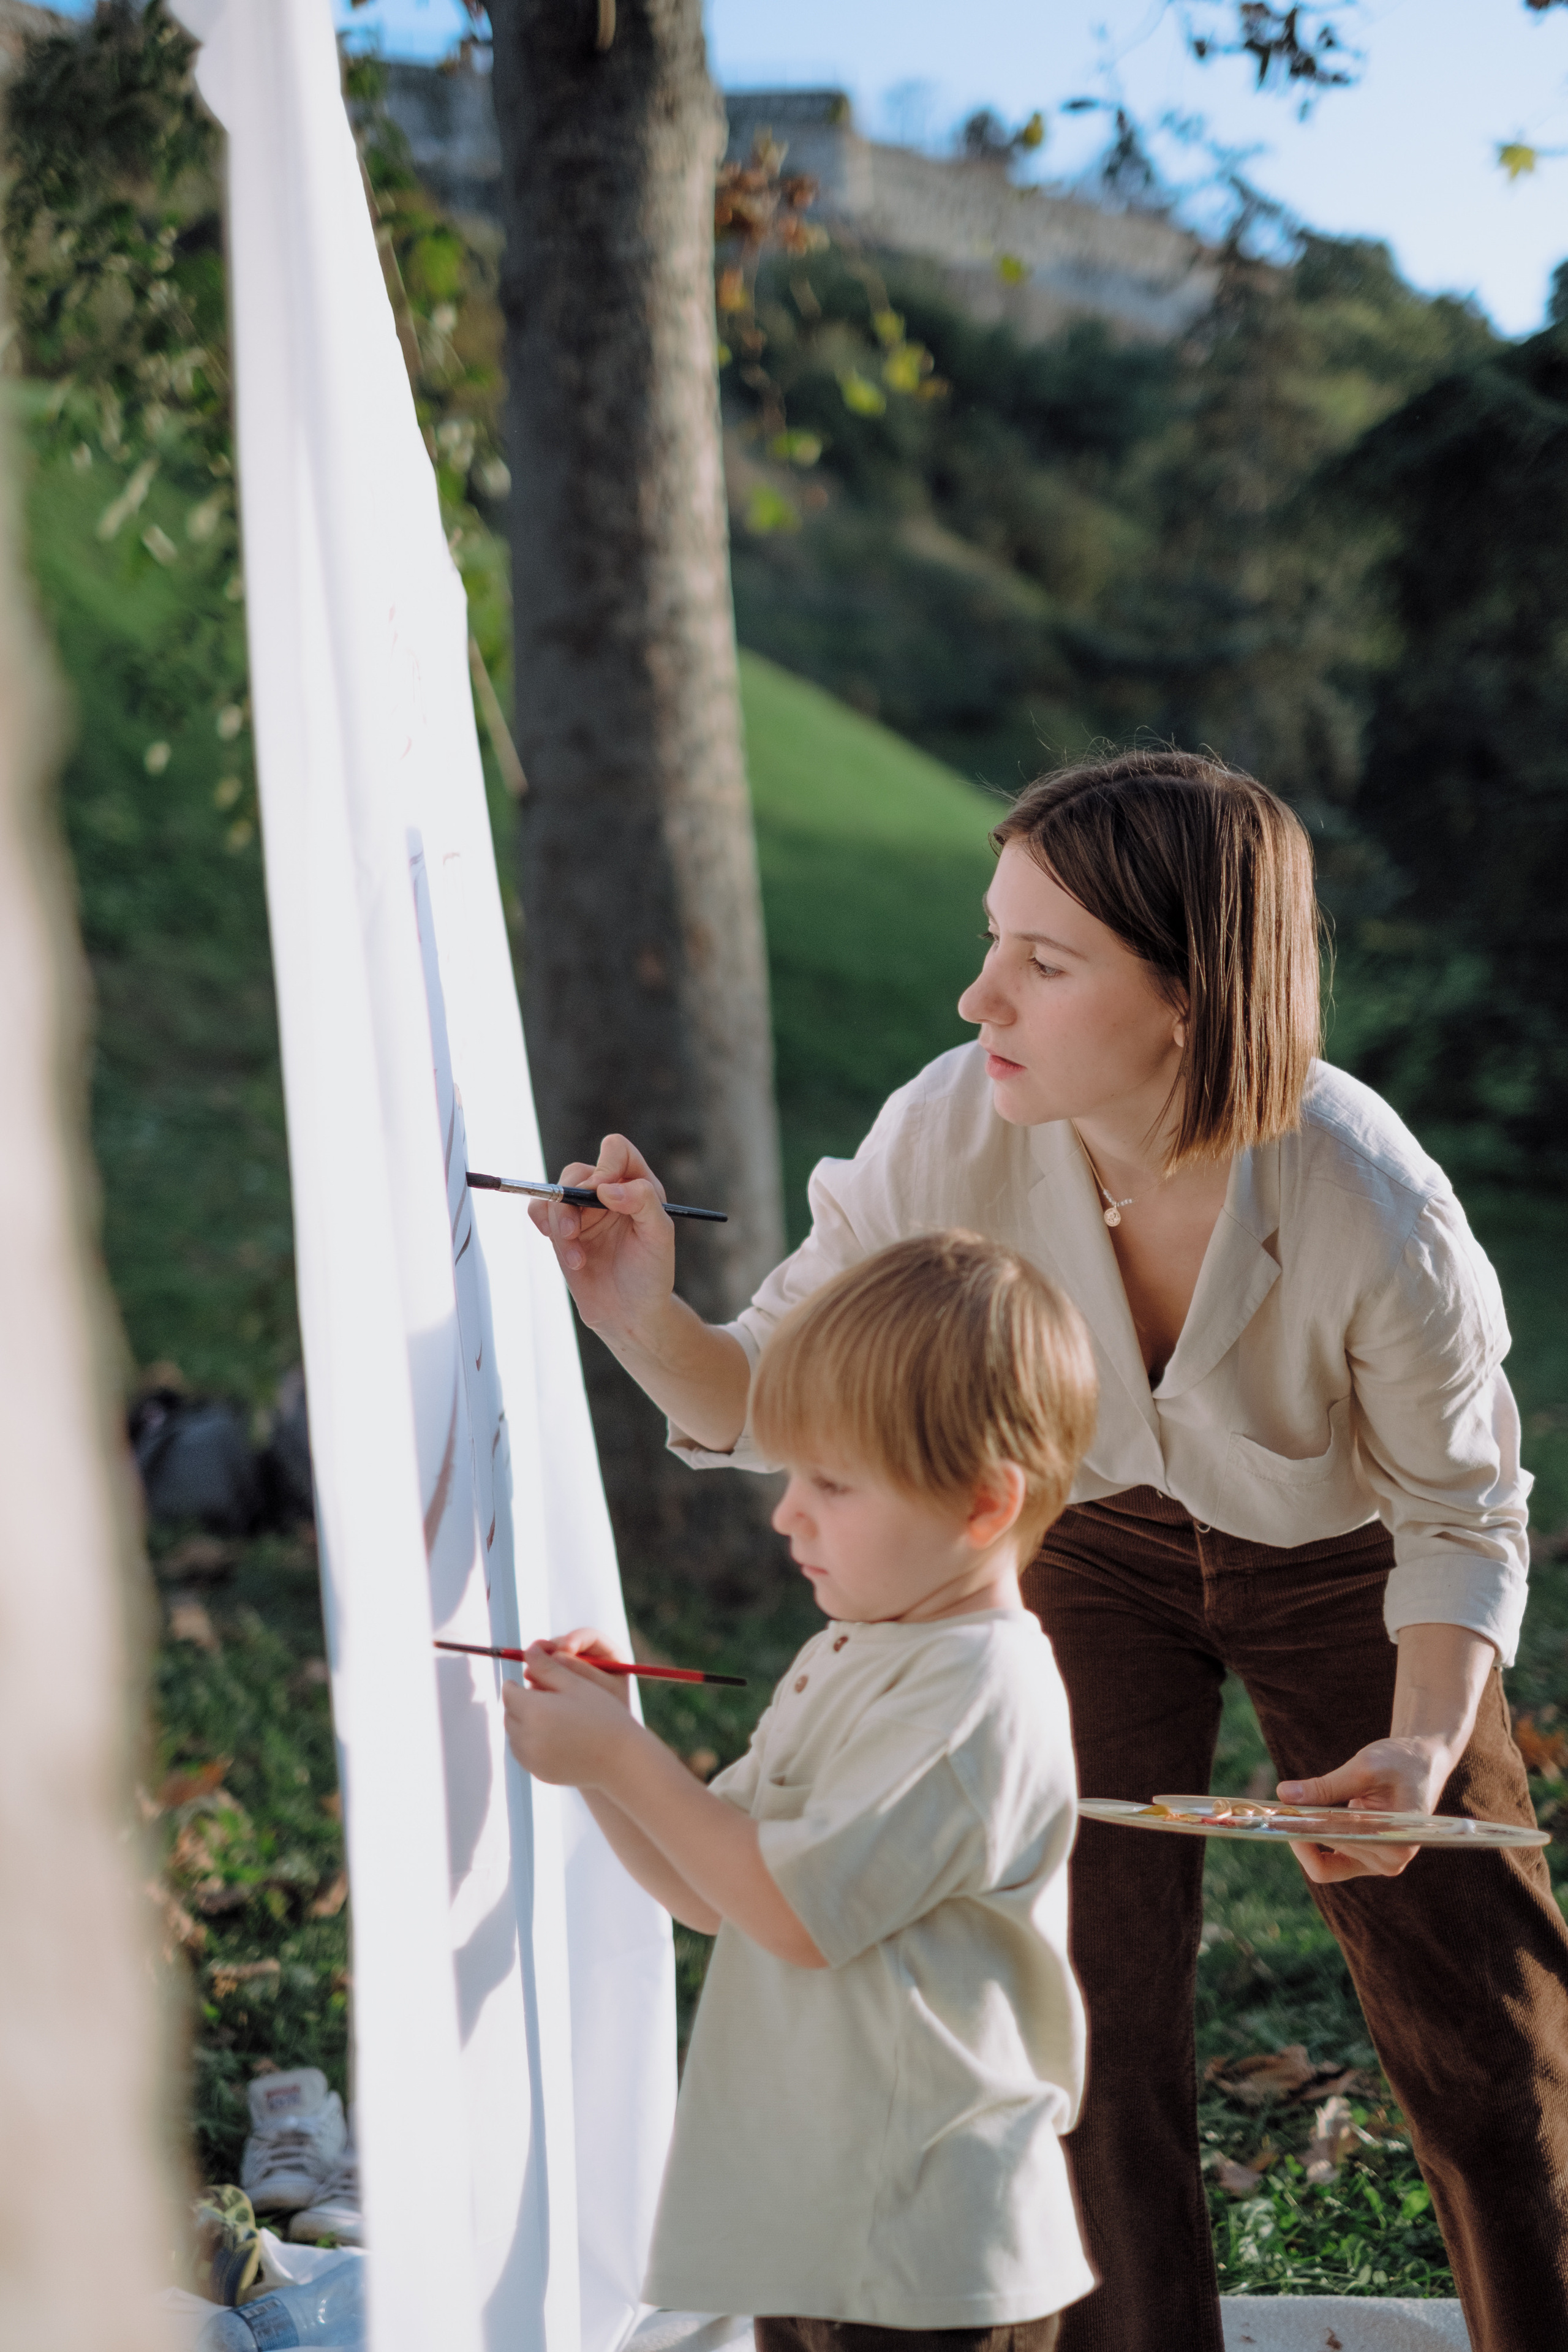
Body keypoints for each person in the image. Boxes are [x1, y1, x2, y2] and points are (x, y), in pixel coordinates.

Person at [527, 747, 1568, 2352]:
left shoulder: (1372, 1204)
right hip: (1076, 1540)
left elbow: (1462, 1509)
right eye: (990, 939)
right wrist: (637, 1307)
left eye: (1041, 961)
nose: (974, 998)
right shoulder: (947, 1135)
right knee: (1078, 2021)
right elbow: (776, 1394)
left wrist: (1424, 1743)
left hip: (1347, 1559)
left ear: (1189, 994)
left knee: (1486, 2040)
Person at [502, 1231, 1101, 2352]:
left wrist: (621, 1763)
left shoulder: (973, 1689)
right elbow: (711, 1894)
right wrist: (608, 1759)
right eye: (791, 1473)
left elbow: (792, 1916)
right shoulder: (862, 1647)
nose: (788, 1513)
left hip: (930, 2257)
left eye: (832, 1482)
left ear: (981, 1506)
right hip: (824, 2227)